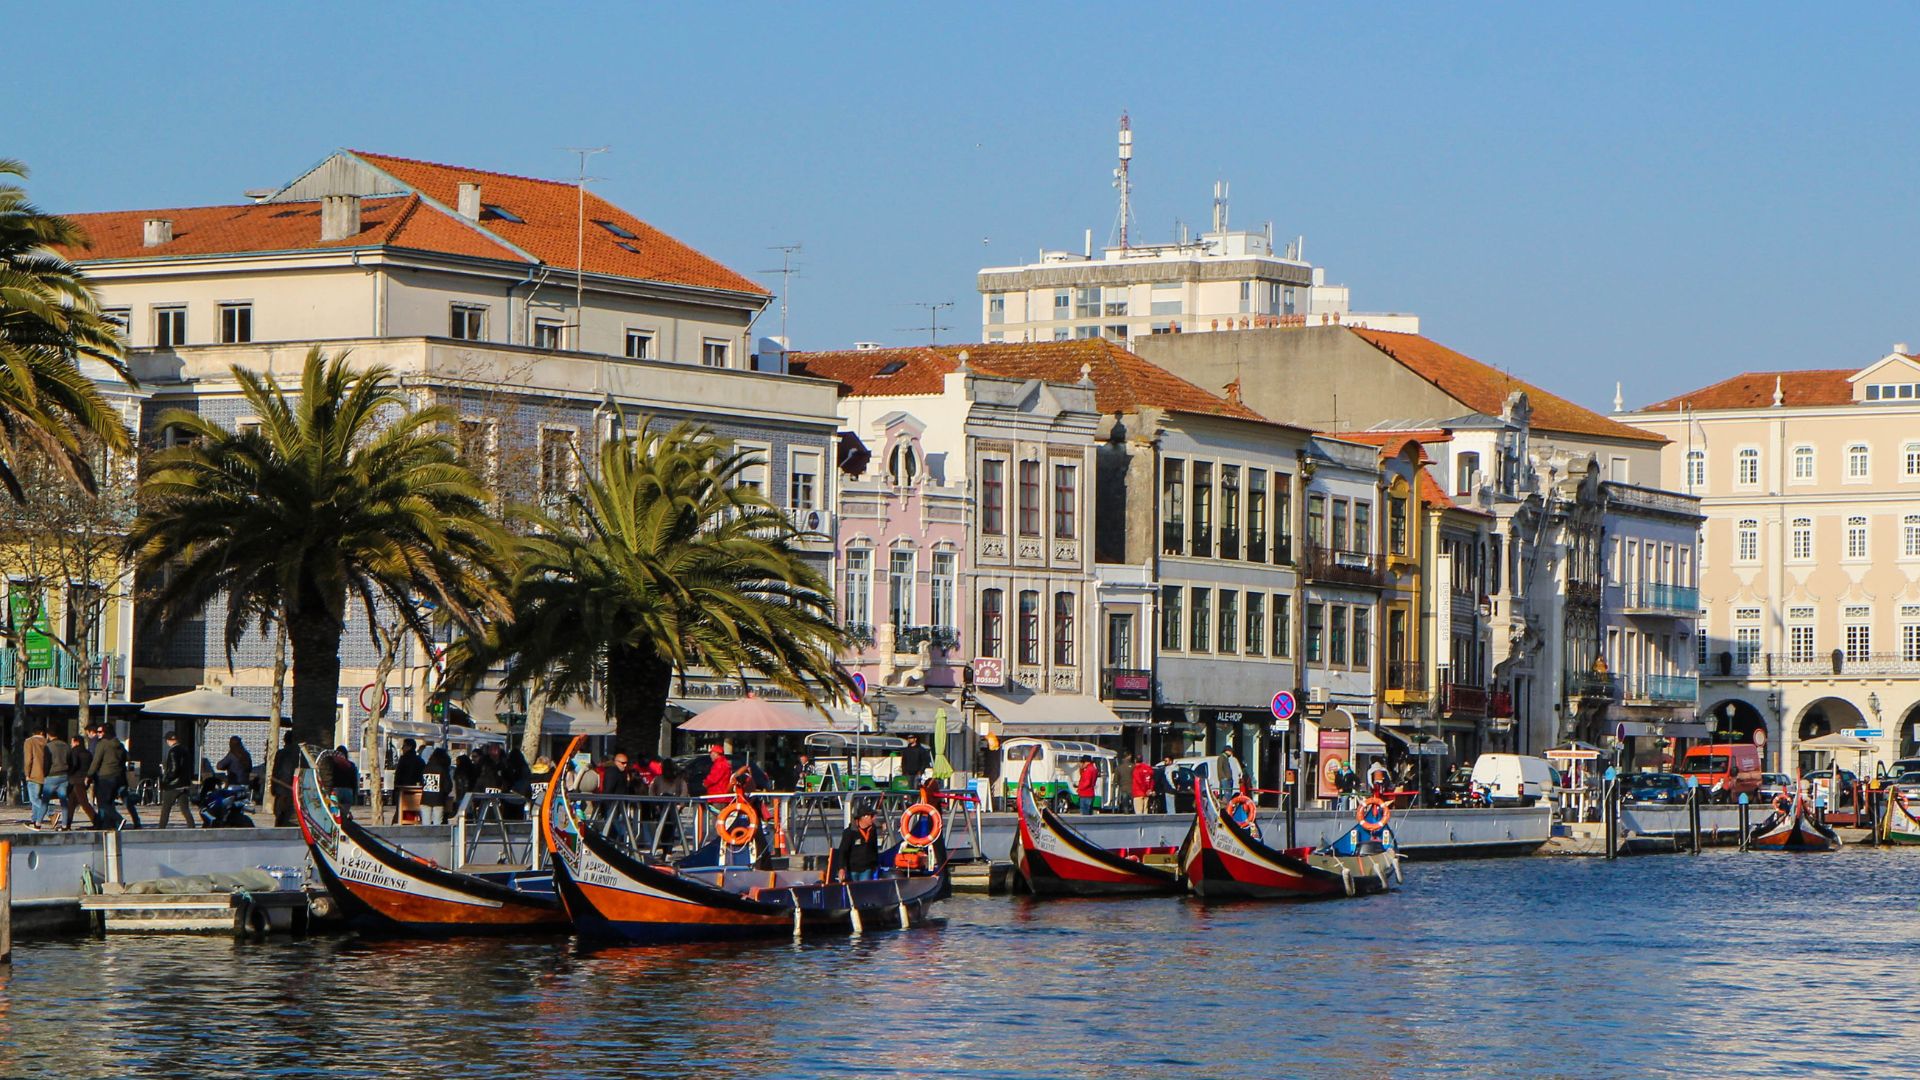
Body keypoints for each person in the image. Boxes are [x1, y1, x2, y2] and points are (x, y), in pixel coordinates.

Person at [157, 731, 197, 828]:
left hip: (174, 785)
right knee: (185, 808)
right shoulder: (185, 750)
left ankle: (161, 828)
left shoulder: (173, 751)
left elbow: (174, 768)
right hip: (184, 783)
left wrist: (167, 779)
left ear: (168, 740)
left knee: (166, 808)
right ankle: (192, 826)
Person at [834, 804, 882, 882]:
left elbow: (874, 848)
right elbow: (843, 850)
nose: (874, 818)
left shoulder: (872, 830)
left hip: (867, 867)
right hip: (852, 868)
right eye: (871, 816)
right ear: (863, 817)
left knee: (863, 888)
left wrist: (875, 864)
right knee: (854, 889)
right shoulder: (850, 832)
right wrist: (841, 868)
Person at [63, 733, 98, 830]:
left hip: (76, 779)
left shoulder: (74, 752)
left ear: (76, 742)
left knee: (84, 802)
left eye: (72, 742)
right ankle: (67, 824)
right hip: (84, 779)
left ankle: (97, 821)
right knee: (71, 802)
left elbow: (74, 764)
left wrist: (69, 773)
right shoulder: (88, 753)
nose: (71, 744)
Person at [42, 728, 73, 830]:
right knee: (64, 801)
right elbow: (70, 761)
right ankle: (64, 824)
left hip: (51, 775)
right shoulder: (66, 746)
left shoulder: (48, 746)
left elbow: (46, 762)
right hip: (64, 775)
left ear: (48, 735)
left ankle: (37, 822)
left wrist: (44, 774)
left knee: (45, 800)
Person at [393, 738, 426, 824]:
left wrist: (395, 789)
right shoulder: (420, 760)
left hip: (402, 790)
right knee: (414, 812)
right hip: (416, 790)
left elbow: (398, 775)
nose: (402, 748)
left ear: (409, 747)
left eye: (404, 746)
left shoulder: (403, 759)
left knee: (400, 811)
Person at [23, 725, 49, 830]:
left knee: (33, 799)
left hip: (34, 774)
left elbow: (28, 759)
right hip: (46, 774)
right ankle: (35, 820)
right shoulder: (47, 742)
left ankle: (51, 812)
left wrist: (27, 774)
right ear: (42, 733)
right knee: (38, 797)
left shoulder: (29, 742)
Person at [420, 746, 453, 825]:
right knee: (437, 823)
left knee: (425, 824)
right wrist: (444, 793)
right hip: (439, 800)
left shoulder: (426, 768)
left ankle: (426, 836)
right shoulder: (442, 769)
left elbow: (422, 782)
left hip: (425, 799)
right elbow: (448, 786)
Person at [325, 745, 357, 815]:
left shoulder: (333, 764)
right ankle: (344, 823)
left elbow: (330, 777)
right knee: (344, 814)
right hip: (348, 791)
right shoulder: (351, 765)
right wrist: (354, 794)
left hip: (336, 790)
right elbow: (354, 781)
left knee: (335, 813)